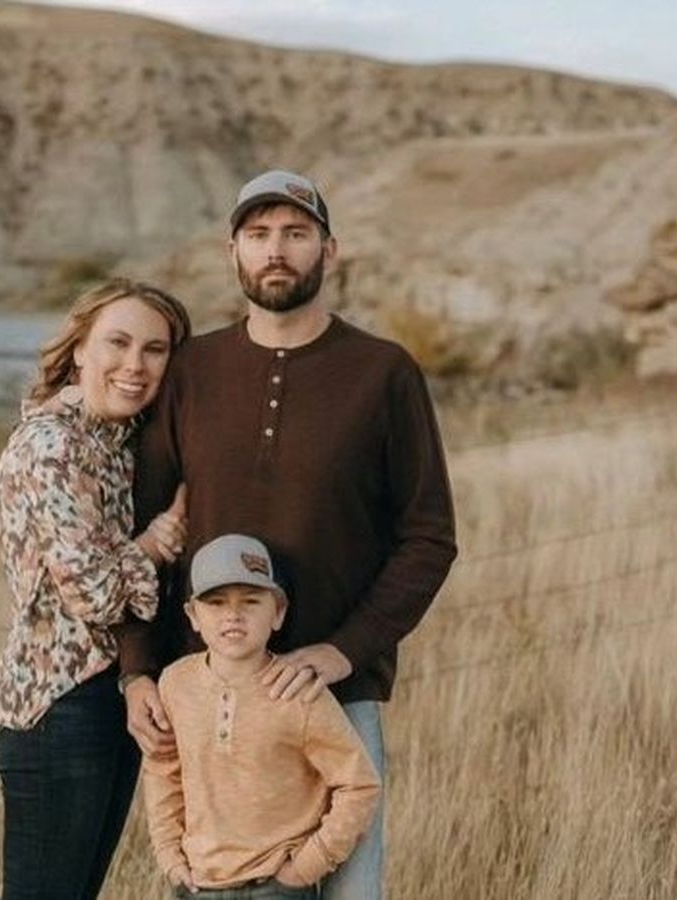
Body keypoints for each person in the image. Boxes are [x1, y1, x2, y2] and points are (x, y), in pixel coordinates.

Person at [119, 169, 458, 899]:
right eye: (259, 234)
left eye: (296, 233)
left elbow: (429, 537)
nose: (276, 250)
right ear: (233, 251)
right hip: (213, 697)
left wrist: (342, 651)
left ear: (329, 251)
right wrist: (138, 669)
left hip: (335, 693)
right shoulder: (192, 370)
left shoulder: (383, 373)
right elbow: (144, 534)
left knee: (351, 891)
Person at [0, 278, 192, 900]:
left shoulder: (120, 442)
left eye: (155, 350)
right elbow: (96, 593)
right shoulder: (52, 446)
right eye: (118, 343)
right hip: (57, 704)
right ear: (80, 348)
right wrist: (153, 545)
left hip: (112, 692)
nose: (135, 365)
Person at [143, 534, 381, 900]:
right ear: (193, 615)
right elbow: (163, 770)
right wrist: (170, 857)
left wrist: (306, 867)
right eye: (216, 602)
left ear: (278, 612)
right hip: (199, 885)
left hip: (276, 886)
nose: (233, 615)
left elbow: (359, 784)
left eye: (251, 601)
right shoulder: (176, 684)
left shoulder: (298, 691)